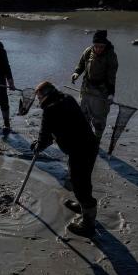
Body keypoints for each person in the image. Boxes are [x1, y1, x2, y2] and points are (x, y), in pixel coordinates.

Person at [30, 81, 99, 237]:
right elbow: (52, 132)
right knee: (80, 180)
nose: (38, 100)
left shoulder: (49, 110)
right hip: (88, 145)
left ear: (45, 95)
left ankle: (88, 225)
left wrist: (37, 146)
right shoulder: (67, 98)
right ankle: (82, 206)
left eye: (39, 97)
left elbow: (45, 137)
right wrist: (42, 141)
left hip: (80, 150)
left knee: (80, 184)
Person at [71, 30, 118, 142]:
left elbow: (112, 76)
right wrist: (76, 73)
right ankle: (84, 137)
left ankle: (96, 141)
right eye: (96, 46)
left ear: (105, 45)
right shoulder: (88, 51)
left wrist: (111, 94)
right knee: (83, 115)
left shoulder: (111, 56)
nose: (98, 49)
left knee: (99, 120)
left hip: (101, 92)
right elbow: (81, 64)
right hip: (86, 89)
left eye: (101, 47)